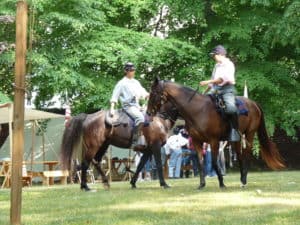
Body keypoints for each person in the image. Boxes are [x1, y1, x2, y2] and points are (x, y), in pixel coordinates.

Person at [199, 45, 240, 142]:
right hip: (215, 88)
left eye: (214, 55)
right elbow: (213, 81)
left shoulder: (229, 65)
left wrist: (207, 82)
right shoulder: (216, 66)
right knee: (204, 103)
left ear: (220, 54)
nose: (213, 57)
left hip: (227, 89)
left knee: (230, 108)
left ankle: (234, 130)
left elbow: (221, 79)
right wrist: (204, 93)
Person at [110, 62, 149, 148]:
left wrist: (147, 94)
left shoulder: (136, 82)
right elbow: (114, 96)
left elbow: (142, 91)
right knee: (140, 118)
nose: (132, 72)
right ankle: (134, 140)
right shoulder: (121, 83)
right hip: (128, 106)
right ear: (126, 71)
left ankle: (146, 138)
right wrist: (112, 108)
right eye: (130, 70)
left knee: (150, 116)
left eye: (133, 70)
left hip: (137, 106)